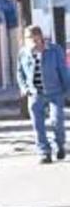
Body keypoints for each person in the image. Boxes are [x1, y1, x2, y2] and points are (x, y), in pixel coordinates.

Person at [16, 25, 69, 164]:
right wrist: (24, 88)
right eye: (28, 38)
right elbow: (20, 72)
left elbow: (63, 70)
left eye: (34, 38)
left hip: (55, 92)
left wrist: (67, 89)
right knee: (38, 125)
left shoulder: (54, 50)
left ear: (40, 37)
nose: (31, 41)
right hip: (35, 94)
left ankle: (60, 145)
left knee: (57, 121)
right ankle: (44, 152)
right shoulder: (23, 53)